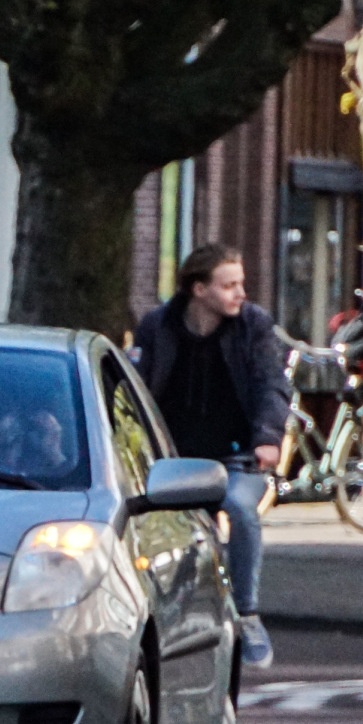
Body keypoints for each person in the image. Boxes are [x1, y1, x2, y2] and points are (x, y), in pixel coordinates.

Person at [131, 242, 290, 668]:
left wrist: (268, 436)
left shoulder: (252, 326)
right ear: (199, 289)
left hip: (236, 459)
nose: (241, 293)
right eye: (229, 285)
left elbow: (269, 385)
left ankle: (248, 614)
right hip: (177, 463)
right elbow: (139, 389)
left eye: (241, 284)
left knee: (240, 508)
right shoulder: (158, 326)